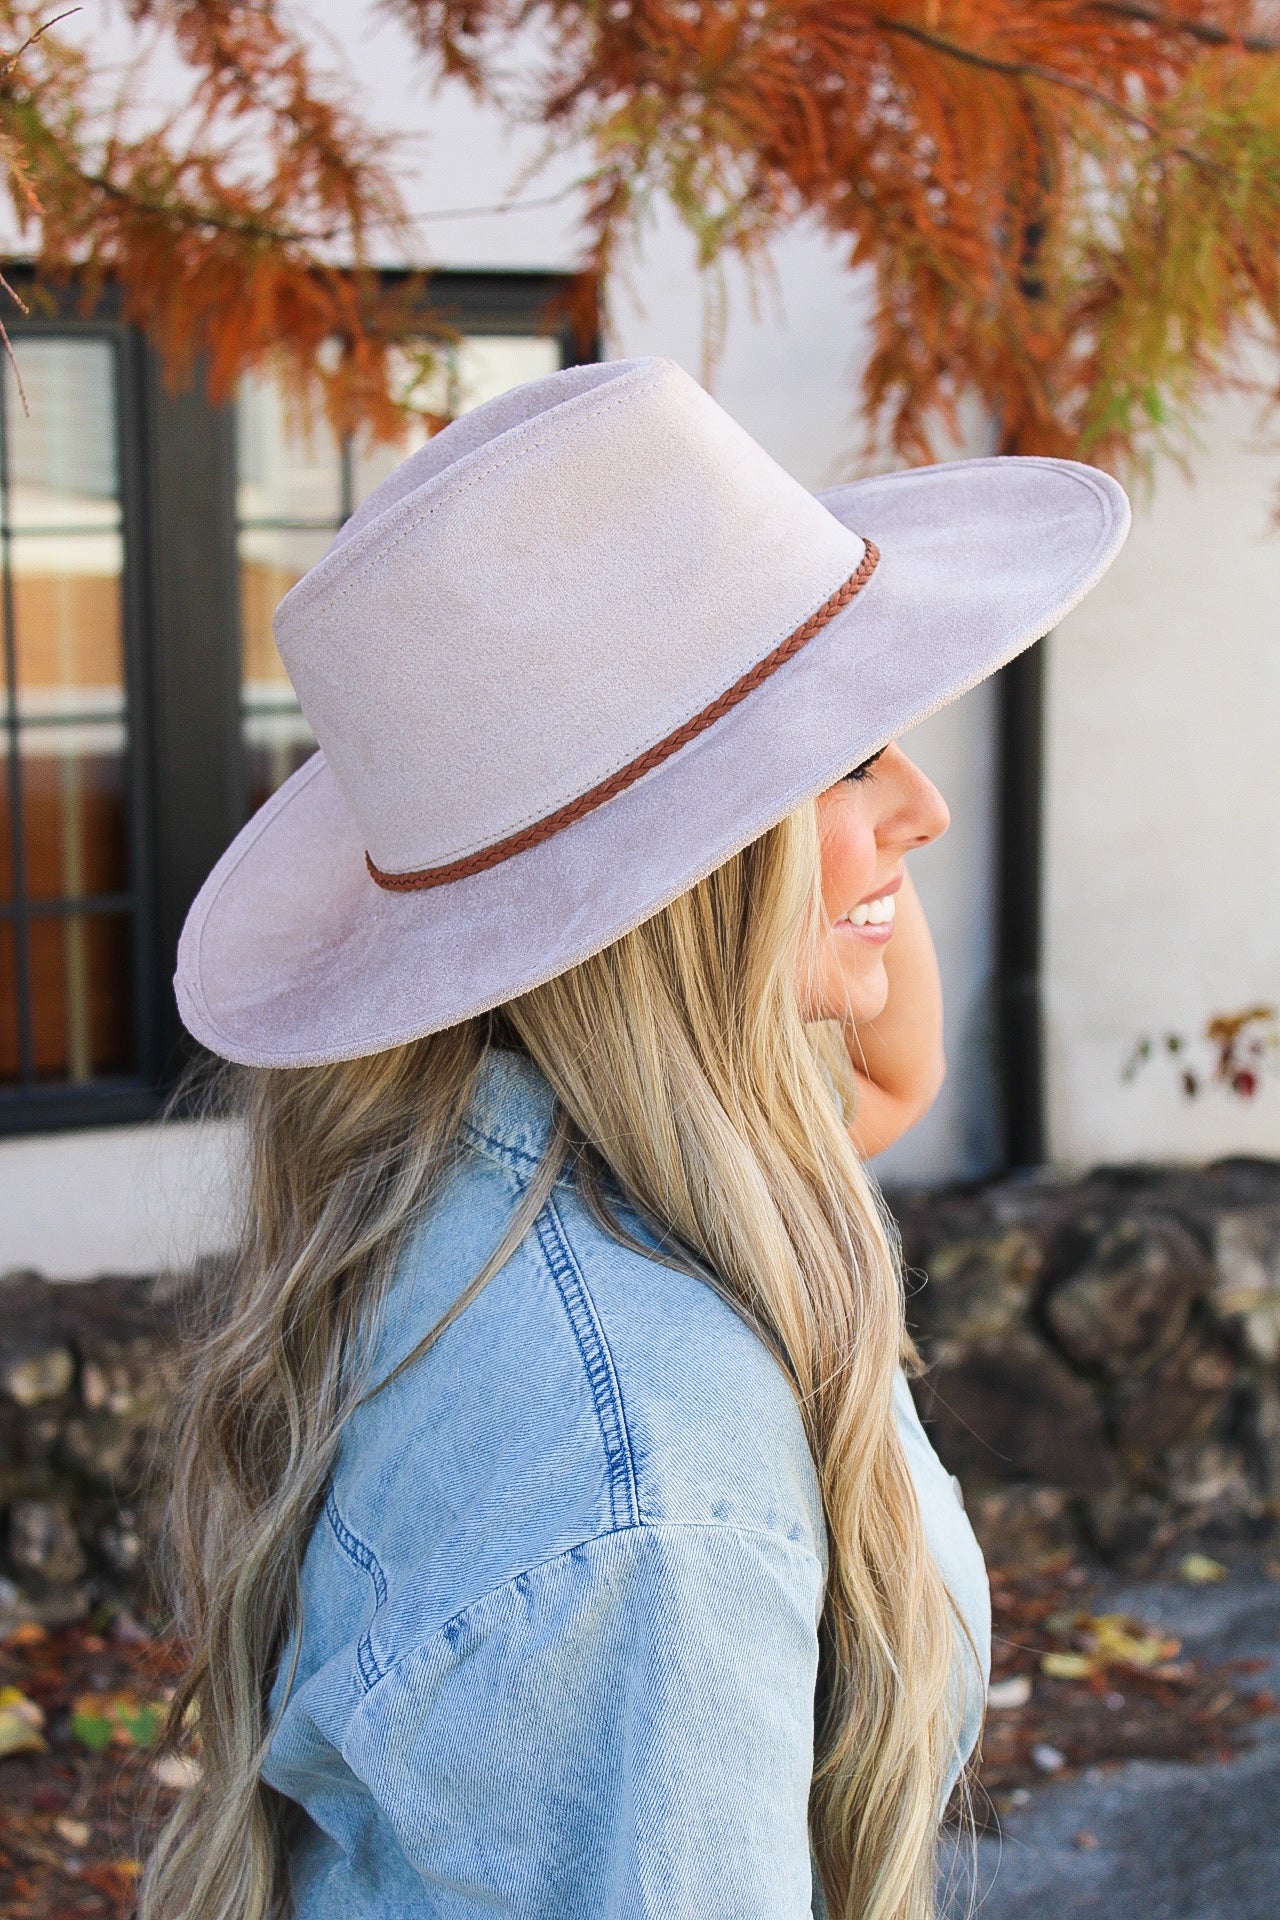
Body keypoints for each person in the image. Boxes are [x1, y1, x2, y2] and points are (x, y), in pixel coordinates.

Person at [143, 357, 1129, 1920]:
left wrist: (821, 847)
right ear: (693, 872)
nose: (927, 807)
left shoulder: (484, 1174)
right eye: (858, 757)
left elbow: (895, 1070)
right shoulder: (660, 1493)